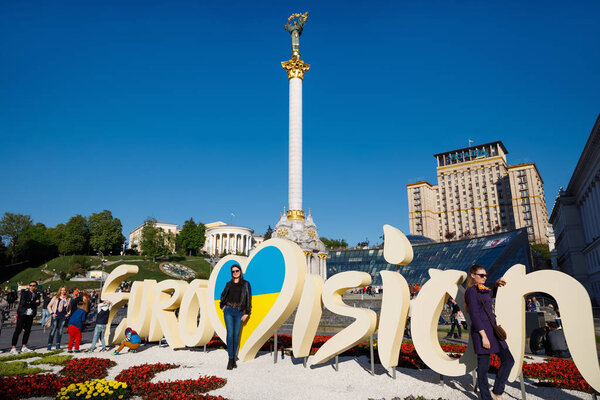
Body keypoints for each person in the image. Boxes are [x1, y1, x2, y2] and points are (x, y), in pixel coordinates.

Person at [464, 264, 514, 400]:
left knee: (508, 360)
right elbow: (474, 315)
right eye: (481, 275)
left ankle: (497, 391)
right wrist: (483, 336)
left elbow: (490, 295)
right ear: (473, 275)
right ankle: (486, 397)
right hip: (482, 333)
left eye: (485, 275)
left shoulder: (483, 289)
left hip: (493, 330)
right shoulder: (471, 291)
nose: (484, 277)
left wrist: (497, 284)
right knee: (483, 367)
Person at [219, 264, 252, 370]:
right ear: (231, 273)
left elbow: (248, 299)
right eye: (233, 271)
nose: (235, 273)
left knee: (236, 335)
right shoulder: (228, 284)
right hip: (228, 310)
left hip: (238, 311)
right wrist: (222, 305)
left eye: (237, 271)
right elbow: (223, 295)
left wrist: (247, 312)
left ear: (240, 271)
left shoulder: (246, 284)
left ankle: (233, 359)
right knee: (230, 334)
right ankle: (230, 359)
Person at [10, 281, 41, 354]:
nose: (32, 287)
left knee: (27, 331)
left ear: (36, 286)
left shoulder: (37, 294)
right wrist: (33, 302)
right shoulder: (25, 293)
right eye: (30, 285)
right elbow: (23, 303)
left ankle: (24, 346)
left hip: (30, 314)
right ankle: (13, 348)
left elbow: (38, 303)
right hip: (22, 314)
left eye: (34, 285)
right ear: (29, 286)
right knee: (18, 330)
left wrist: (31, 303)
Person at [47, 286, 71, 350]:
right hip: (56, 315)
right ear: (60, 291)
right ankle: (49, 345)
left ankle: (58, 344)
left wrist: (68, 313)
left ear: (66, 291)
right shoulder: (56, 298)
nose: (63, 291)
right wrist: (52, 313)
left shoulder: (68, 298)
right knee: (53, 330)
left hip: (63, 316)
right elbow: (49, 306)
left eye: (64, 290)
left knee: (60, 331)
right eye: (62, 290)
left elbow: (69, 308)